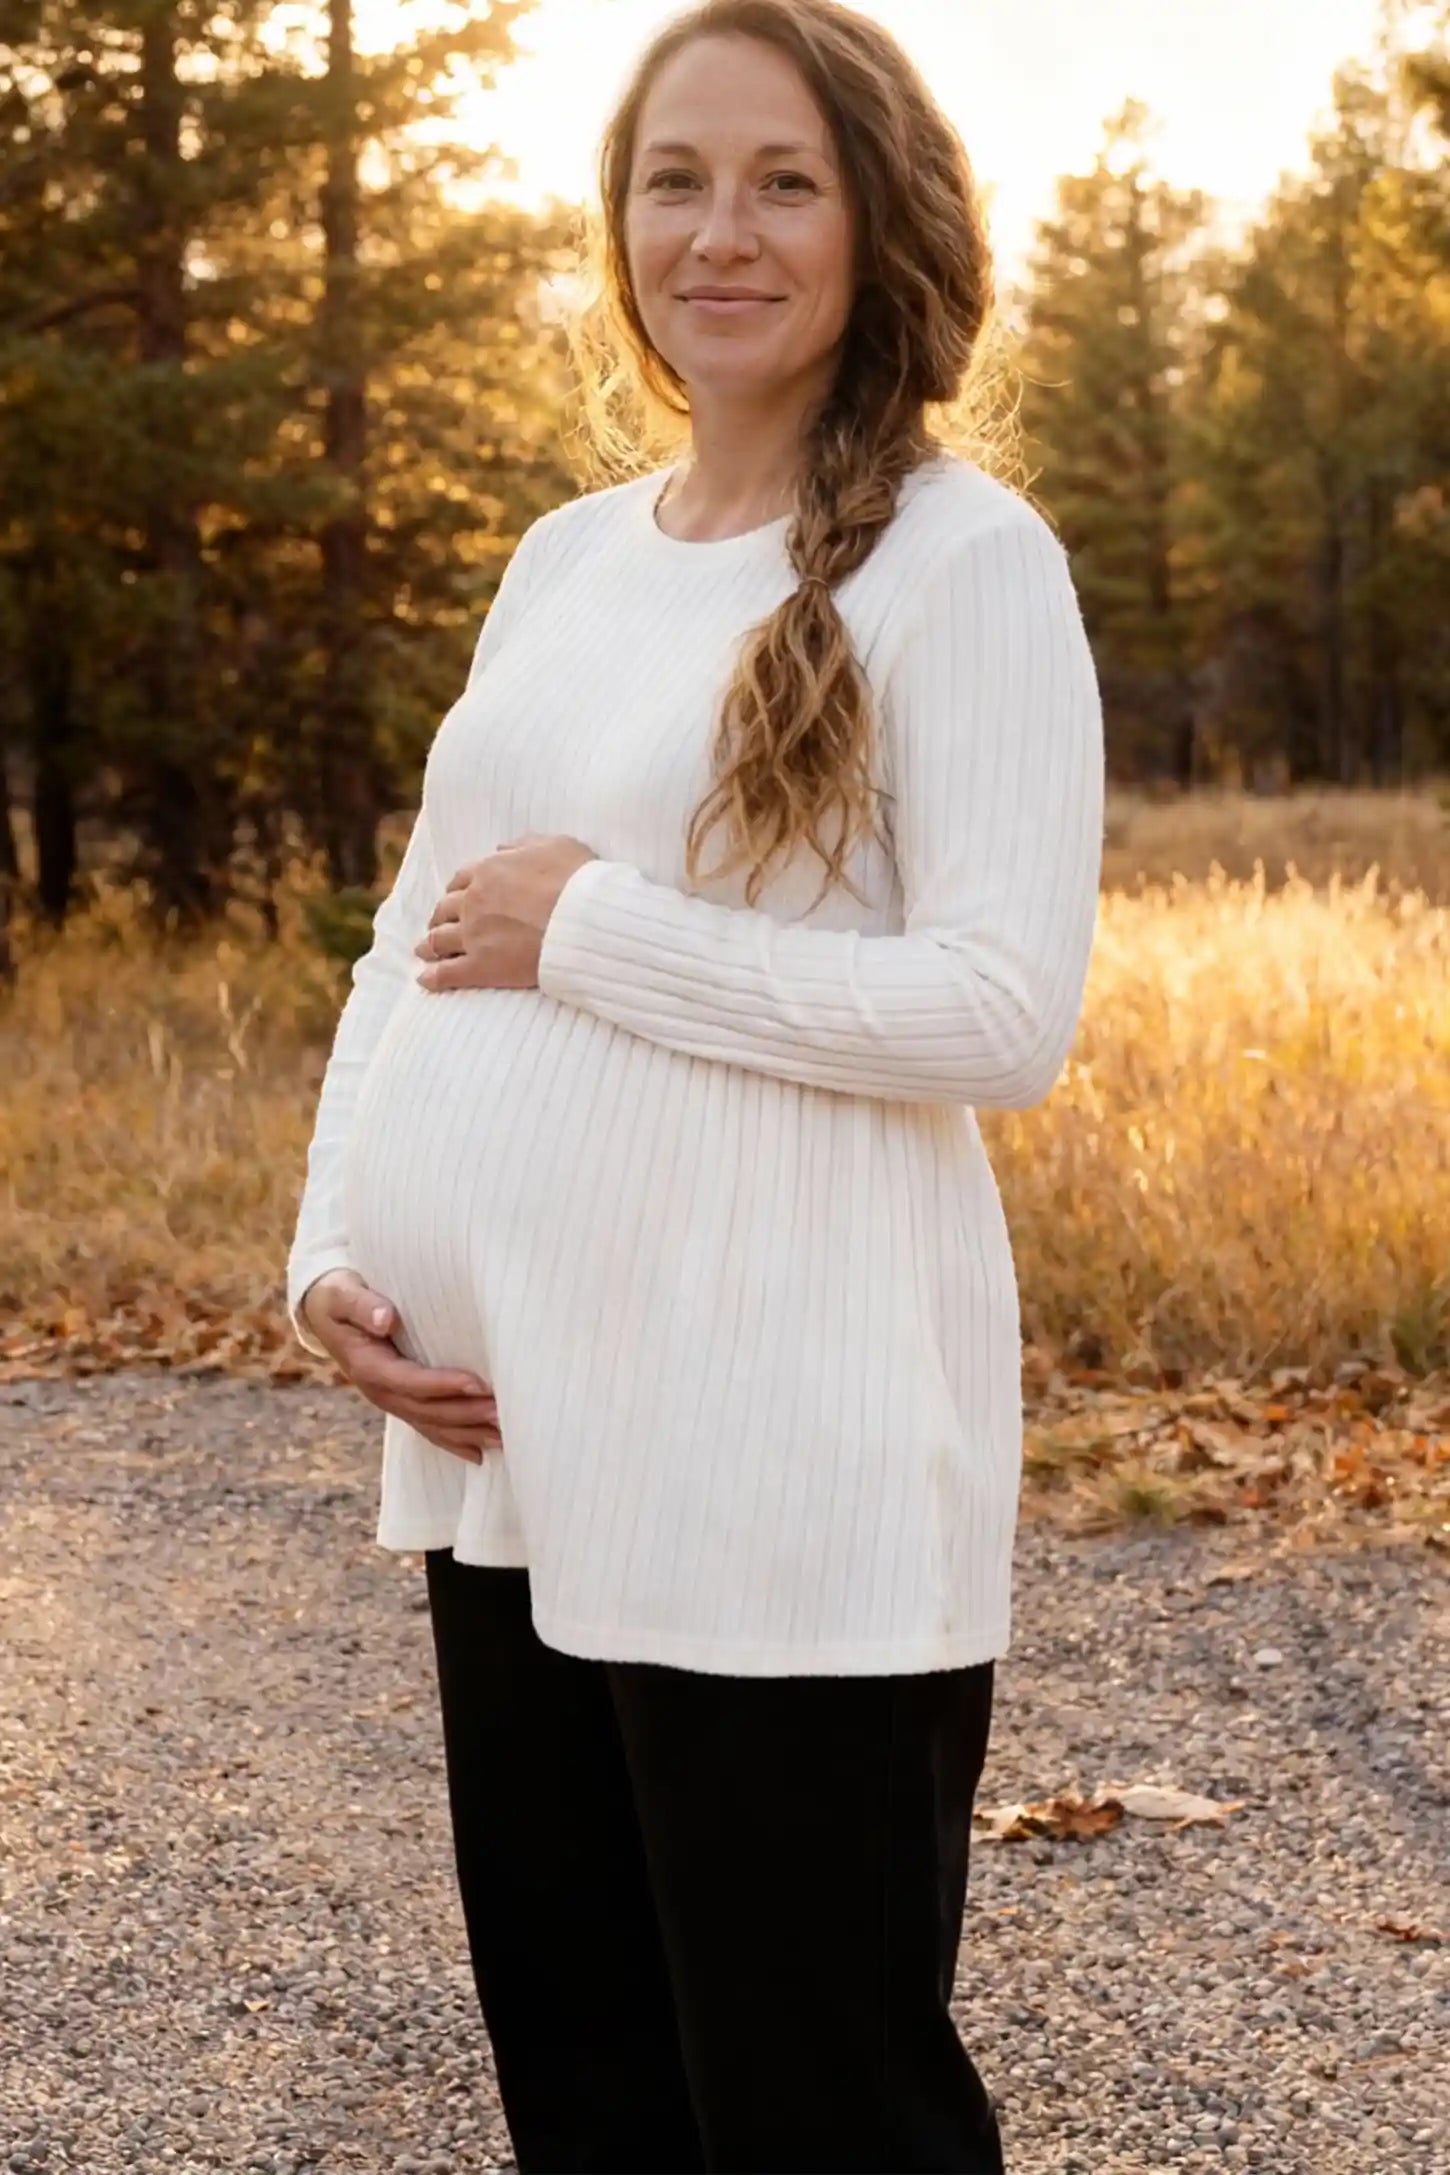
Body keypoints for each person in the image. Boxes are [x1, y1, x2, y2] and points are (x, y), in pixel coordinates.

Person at [285, 1, 1104, 2167]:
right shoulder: (566, 556)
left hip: (781, 1467)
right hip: (514, 1445)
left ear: (877, 221)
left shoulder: (963, 558)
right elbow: (408, 933)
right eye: (674, 179)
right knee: (592, 2079)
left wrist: (600, 932)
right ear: (616, 221)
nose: (715, 231)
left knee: (815, 2103)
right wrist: (334, 1249)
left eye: (778, 180)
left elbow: (1001, 1011)